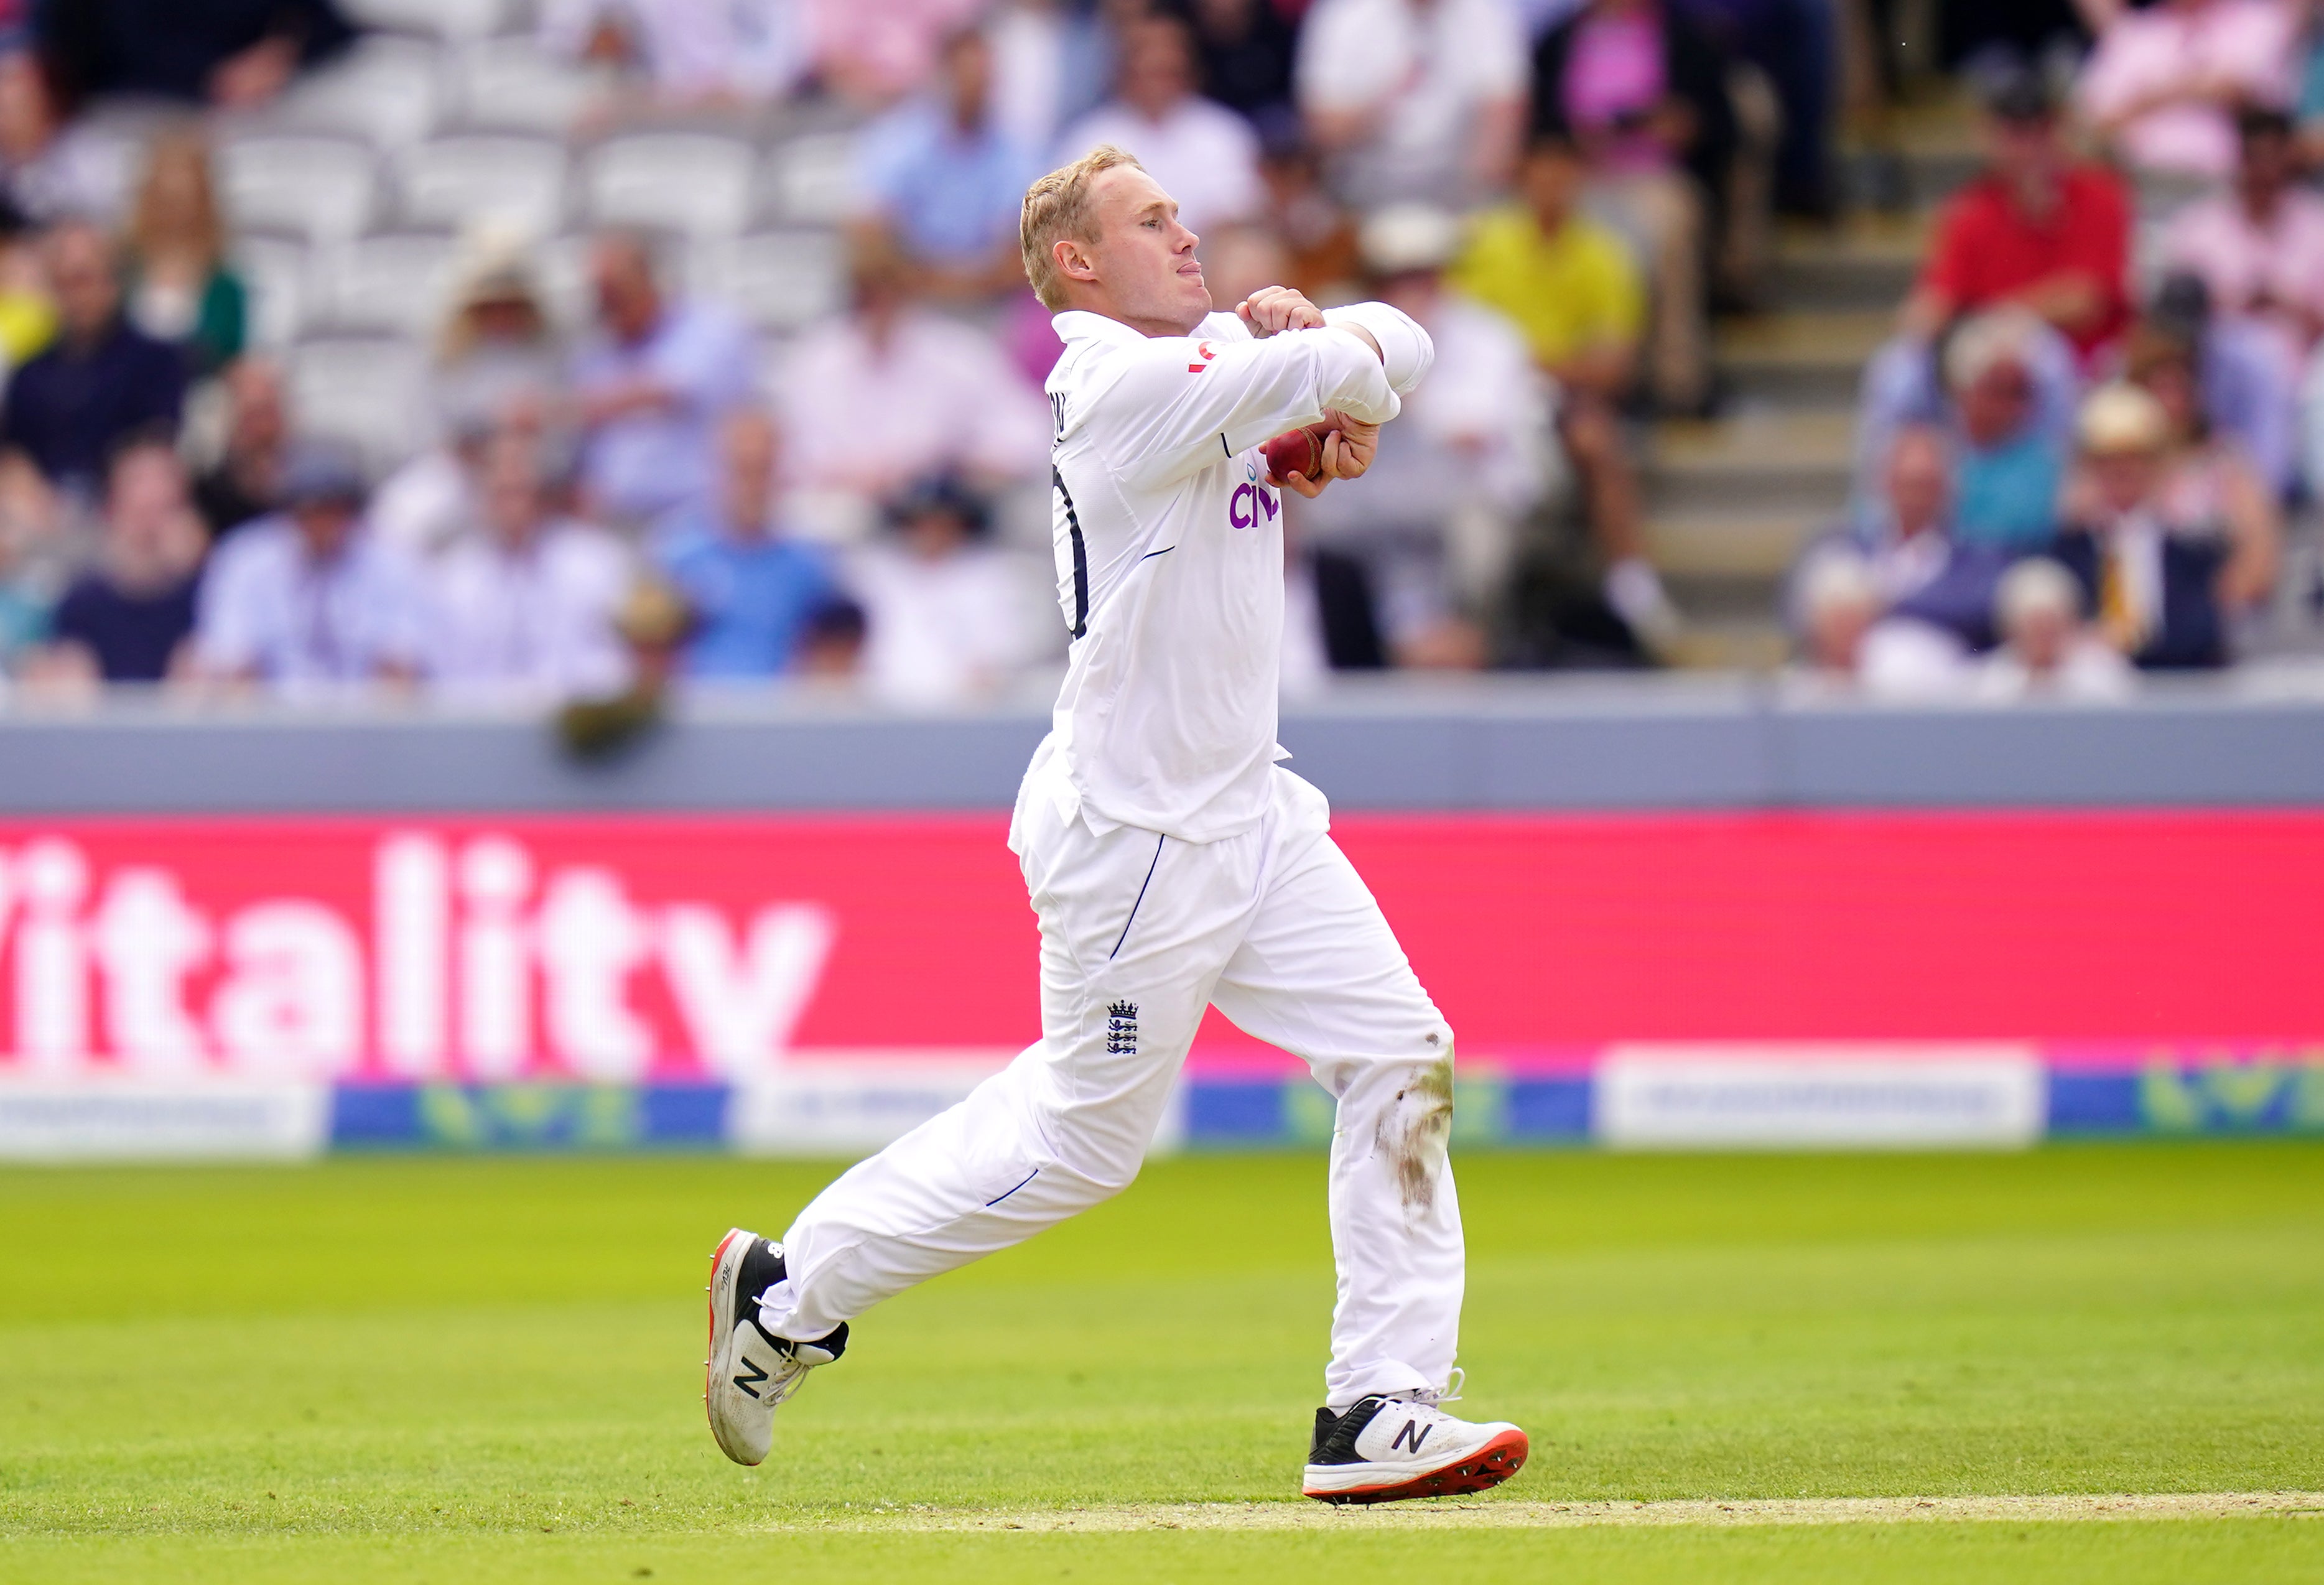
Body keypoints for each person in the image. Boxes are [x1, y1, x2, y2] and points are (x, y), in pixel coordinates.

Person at [704, 144, 1530, 1507]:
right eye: (1151, 221)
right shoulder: (1115, 382)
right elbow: (1390, 345)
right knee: (1086, 1141)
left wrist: (1319, 382)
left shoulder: (1207, 356)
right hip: (1137, 837)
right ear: (1078, 264)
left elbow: (1386, 375)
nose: (1187, 233)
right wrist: (1326, 350)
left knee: (1400, 1051)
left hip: (1248, 808)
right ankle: (786, 1291)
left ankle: (1377, 1406)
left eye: (1182, 212)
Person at [1451, 130, 1680, 647]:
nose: (1551, 185)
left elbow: (1616, 367)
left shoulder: (1604, 253)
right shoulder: (1483, 242)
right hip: (1490, 396)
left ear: (1579, 179)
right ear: (1522, 178)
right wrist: (1536, 365)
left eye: (1562, 173)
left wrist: (1537, 364)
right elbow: (1460, 330)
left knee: (1597, 441)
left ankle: (1632, 581)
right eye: (1540, 173)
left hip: (1562, 402)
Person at [1299, 203, 1551, 667]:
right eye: (1395, 276)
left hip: (1471, 508)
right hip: (1370, 511)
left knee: (1472, 545)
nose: (1410, 289)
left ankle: (1470, 642)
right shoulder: (1346, 330)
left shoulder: (1487, 337)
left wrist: (1397, 376)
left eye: (1422, 275)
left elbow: (1473, 433)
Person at [1529, 0, 1739, 412]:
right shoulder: (1560, 40)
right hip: (1580, 176)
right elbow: (1541, 126)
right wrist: (1580, 140)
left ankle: (1678, 379)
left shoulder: (1685, 35)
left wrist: (1680, 126)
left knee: (1668, 228)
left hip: (1654, 176)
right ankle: (1593, 391)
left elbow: (1719, 125)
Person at [774, 234, 1049, 539]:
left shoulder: (957, 353)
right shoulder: (814, 360)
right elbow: (791, 456)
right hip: (841, 524)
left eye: (889, 291)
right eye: (867, 294)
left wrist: (960, 463)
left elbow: (1029, 431)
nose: (879, 306)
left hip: (937, 520)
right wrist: (859, 476)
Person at [1900, 70, 2132, 366]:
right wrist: (1929, 324)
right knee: (1903, 362)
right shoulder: (1970, 210)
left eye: (2039, 130)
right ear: (1987, 136)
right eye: (2014, 132)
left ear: (2059, 131)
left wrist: (1988, 321)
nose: (2028, 147)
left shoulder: (2101, 195)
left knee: (2039, 350)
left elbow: (2085, 303)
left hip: (2082, 364)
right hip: (1992, 363)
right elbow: (1932, 303)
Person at [190, 442, 429, 694]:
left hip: (365, 723)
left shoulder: (389, 563)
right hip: (270, 722)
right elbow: (230, 661)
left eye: (333, 511)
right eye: (311, 512)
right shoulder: (245, 561)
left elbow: (404, 666)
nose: (322, 524)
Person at [426, 432, 636, 705]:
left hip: (576, 724)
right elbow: (441, 673)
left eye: (521, 491)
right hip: (478, 726)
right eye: (500, 493)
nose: (512, 506)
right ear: (481, 500)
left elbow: (618, 659)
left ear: (543, 496)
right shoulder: (453, 577)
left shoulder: (597, 561)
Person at [570, 229, 758, 531]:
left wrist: (567, 408)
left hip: (699, 517)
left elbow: (665, 391)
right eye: (599, 294)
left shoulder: (710, 329)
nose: (606, 305)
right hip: (616, 520)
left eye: (615, 291)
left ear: (646, 279)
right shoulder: (595, 351)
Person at [2051, 383, 2236, 670]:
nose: (2122, 471)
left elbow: (2203, 632)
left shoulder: (2190, 551)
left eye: (2134, 459)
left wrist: (2130, 641)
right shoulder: (2066, 553)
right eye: (2109, 461)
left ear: (2156, 465)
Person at [0, 220, 185, 502]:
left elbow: (157, 444)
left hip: (125, 509)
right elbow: (15, 456)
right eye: (63, 284)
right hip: (43, 515)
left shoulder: (157, 363)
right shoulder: (30, 374)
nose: (75, 297)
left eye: (83, 280)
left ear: (112, 280)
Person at [854, 28, 1042, 302]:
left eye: (982, 79)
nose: (974, 88)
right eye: (965, 76)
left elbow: (1022, 253)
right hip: (907, 297)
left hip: (991, 301)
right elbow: (869, 232)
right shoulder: (897, 139)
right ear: (943, 75)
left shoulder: (1016, 150)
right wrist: (921, 282)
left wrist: (963, 288)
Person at [654, 408, 840, 679]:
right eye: (742, 470)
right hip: (698, 711)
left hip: (782, 714)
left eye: (763, 470)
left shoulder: (811, 567)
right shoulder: (676, 558)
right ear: (718, 472)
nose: (753, 486)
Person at [1297, 0, 1528, 208]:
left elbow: (1504, 114)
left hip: (1458, 184)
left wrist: (1473, 194)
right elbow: (1324, 129)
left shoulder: (1488, 14)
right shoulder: (1343, 14)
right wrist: (1386, 101)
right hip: (1362, 184)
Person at [1056, 16, 1263, 236]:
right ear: (1126, 74)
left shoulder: (1223, 133)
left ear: (1190, 73)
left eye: (1170, 72)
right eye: (1151, 72)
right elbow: (1068, 217)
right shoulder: (1089, 137)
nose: (1160, 86)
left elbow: (1242, 211)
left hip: (1202, 256)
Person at [2162, 107, 2324, 381]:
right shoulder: (2197, 227)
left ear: (2289, 159)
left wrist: (2284, 304)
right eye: (2255, 159)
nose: (2264, 172)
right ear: (2239, 160)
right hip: (2216, 369)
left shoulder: (2317, 226)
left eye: (2272, 159)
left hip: (2306, 373)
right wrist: (2235, 305)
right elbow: (2175, 323)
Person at [29, 435, 204, 685]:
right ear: (112, 508)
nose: (149, 528)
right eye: (141, 511)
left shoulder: (203, 599)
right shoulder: (82, 603)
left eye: (164, 509)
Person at [2078, 0, 2299, 182]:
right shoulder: (2133, 35)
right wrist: (2198, 89)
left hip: (2228, 184)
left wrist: (2150, 97)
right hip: (2141, 181)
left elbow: (2261, 102)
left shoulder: (2261, 22)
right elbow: (2092, 123)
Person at [37, 0, 356, 108]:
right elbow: (126, 45)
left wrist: (280, 54)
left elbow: (331, 25)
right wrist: (212, 76)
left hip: (258, 111)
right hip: (146, 109)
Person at [121, 130, 246, 376]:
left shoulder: (224, 284)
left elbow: (228, 355)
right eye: (167, 187)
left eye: (185, 185)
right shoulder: (122, 272)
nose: (175, 195)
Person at [1943, 310, 2069, 551]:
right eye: (1998, 389)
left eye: (2021, 393)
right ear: (1963, 390)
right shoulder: (1927, 458)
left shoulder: (2046, 469)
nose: (2013, 407)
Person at [1972, 555, 2138, 701]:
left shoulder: (2103, 673)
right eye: (2035, 629)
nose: (2044, 639)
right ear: (2012, 630)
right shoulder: (1992, 681)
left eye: (2052, 628)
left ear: (2071, 624)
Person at [193, 357, 287, 542]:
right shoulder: (203, 501)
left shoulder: (309, 498)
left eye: (268, 413)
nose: (262, 430)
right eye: (251, 417)